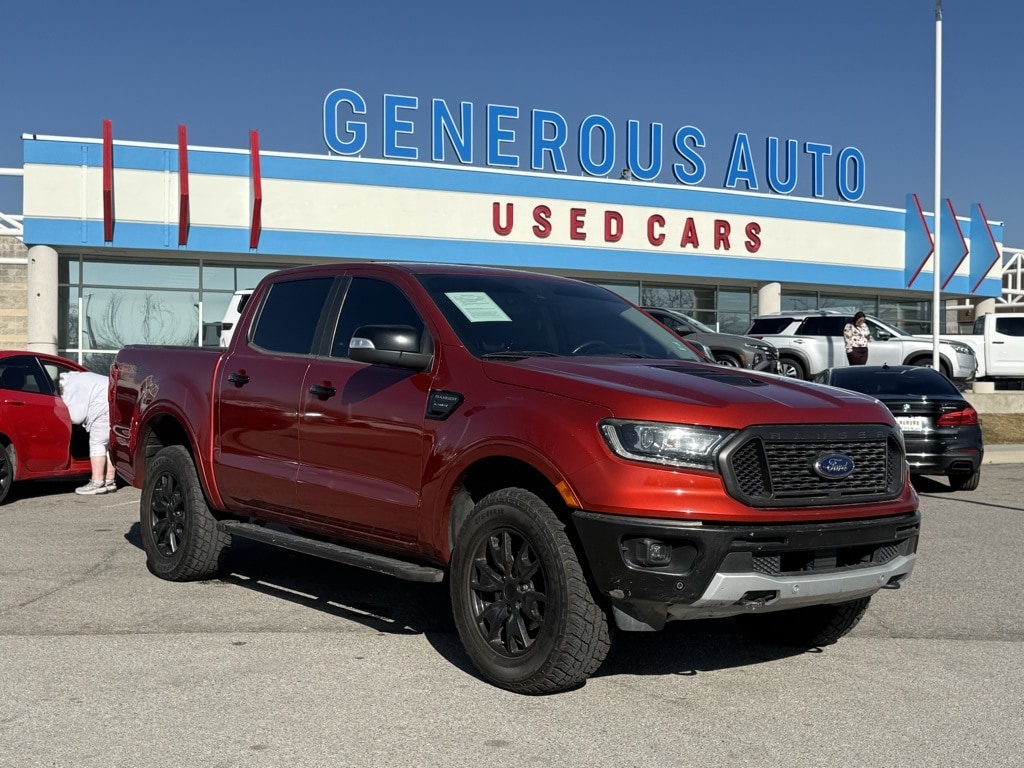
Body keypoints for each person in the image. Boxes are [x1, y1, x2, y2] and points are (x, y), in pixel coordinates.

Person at [59, 370, 117, 495]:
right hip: (114, 404)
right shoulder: (78, 378)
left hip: (102, 409)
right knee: (108, 445)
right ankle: (110, 481)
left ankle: (97, 482)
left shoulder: (69, 386)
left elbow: (76, 417)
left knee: (97, 443)